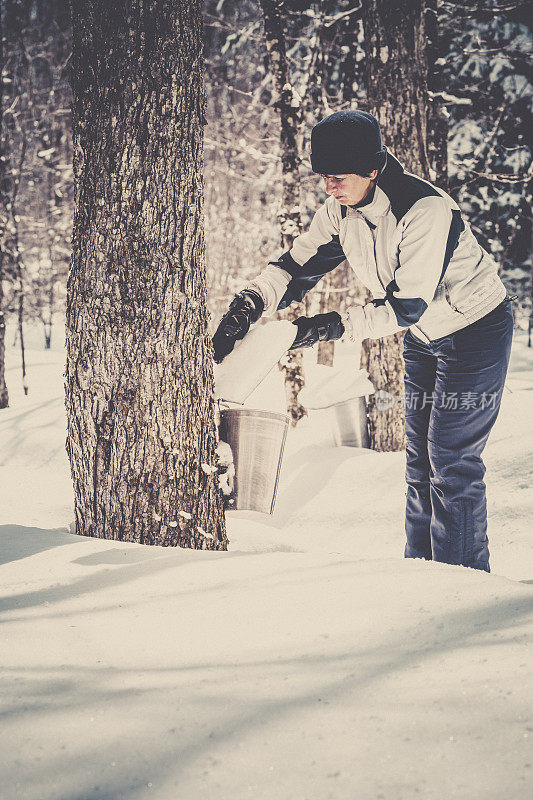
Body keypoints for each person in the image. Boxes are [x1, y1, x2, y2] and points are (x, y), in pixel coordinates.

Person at [212, 109, 514, 573]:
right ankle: (421, 573)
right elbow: (295, 267)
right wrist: (250, 302)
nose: (328, 187)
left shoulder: (423, 210)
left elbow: (405, 305)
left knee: (451, 462)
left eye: (337, 177)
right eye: (323, 177)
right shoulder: (340, 211)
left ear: (372, 169)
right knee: (418, 464)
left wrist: (321, 327)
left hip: (475, 332)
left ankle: (463, 579)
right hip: (423, 336)